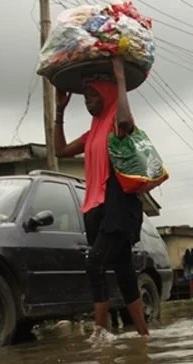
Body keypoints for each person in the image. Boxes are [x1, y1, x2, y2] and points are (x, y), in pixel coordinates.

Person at [53, 57, 148, 342]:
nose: (88, 100)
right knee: (123, 272)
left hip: (118, 209)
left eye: (93, 94)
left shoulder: (115, 125)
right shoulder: (92, 131)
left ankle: (100, 332)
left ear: (106, 93)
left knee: (94, 263)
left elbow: (125, 121)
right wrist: (60, 112)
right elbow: (60, 150)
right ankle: (144, 336)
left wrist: (120, 81)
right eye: (86, 95)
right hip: (95, 208)